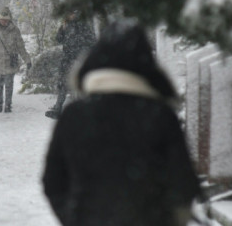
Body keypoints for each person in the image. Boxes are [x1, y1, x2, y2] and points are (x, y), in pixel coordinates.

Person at [42, 20, 201, 226]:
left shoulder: (75, 114)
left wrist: (74, 217)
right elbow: (183, 181)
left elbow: (53, 180)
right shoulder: (159, 115)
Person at [45, 10, 96, 119]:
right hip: (67, 58)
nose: (70, 15)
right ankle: (58, 108)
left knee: (79, 84)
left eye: (72, 13)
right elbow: (58, 39)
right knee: (63, 83)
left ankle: (81, 110)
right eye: (68, 13)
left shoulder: (83, 25)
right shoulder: (66, 24)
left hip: (78, 59)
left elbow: (92, 41)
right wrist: (62, 29)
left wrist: (83, 52)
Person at [0, 7, 31, 113]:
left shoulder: (15, 30)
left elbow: (21, 47)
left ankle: (8, 105)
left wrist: (27, 59)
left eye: (6, 20)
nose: (4, 22)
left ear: (9, 20)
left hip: (10, 62)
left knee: (9, 85)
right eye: (2, 19)